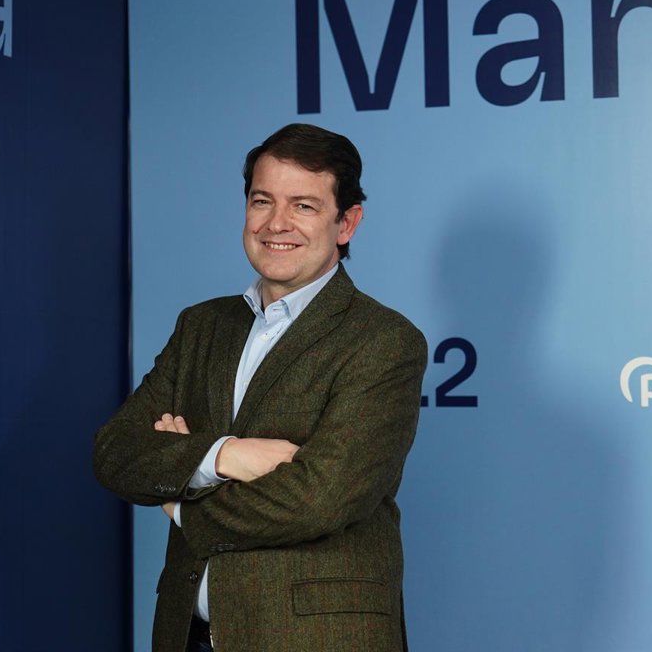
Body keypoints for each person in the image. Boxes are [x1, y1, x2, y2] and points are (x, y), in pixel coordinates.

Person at [94, 123, 427, 652]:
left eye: (304, 206)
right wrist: (224, 456)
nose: (276, 223)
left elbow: (318, 499)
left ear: (346, 223)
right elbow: (116, 452)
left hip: (314, 639)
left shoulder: (383, 341)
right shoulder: (201, 326)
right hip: (187, 635)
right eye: (262, 200)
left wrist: (183, 501)